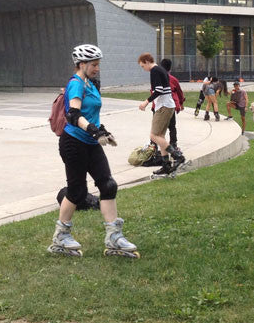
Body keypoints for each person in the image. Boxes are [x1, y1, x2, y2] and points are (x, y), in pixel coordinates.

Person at [50, 43, 138, 258]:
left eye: (98, 64)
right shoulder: (76, 84)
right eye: (94, 65)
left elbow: (92, 114)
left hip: (90, 142)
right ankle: (61, 236)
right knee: (77, 191)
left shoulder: (91, 83)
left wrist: (102, 131)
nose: (97, 68)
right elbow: (73, 114)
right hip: (73, 143)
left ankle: (114, 236)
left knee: (108, 185)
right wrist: (92, 130)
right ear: (81, 64)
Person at [136, 53, 178, 177]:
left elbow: (158, 90)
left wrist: (146, 102)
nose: (143, 68)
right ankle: (166, 166)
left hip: (163, 107)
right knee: (160, 136)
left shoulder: (154, 70)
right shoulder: (161, 70)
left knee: (154, 136)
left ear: (147, 61)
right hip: (167, 105)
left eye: (142, 66)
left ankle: (177, 156)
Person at [159, 58, 186, 167]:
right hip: (171, 106)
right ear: (170, 68)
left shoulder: (158, 78)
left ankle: (159, 147)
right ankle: (173, 144)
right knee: (172, 126)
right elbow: (179, 92)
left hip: (159, 107)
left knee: (158, 131)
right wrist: (181, 103)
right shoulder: (173, 79)